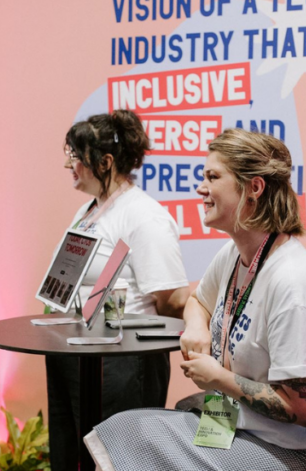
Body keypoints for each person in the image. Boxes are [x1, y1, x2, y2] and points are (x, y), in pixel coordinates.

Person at [85, 129, 306, 471]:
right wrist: (197, 327)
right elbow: (198, 299)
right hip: (240, 425)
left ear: (253, 188)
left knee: (129, 436)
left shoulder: (294, 282)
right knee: (127, 429)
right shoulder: (234, 254)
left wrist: (219, 378)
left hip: (295, 451)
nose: (201, 188)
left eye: (213, 177)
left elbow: (304, 410)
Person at [47, 109, 190, 471]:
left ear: (105, 161)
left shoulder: (144, 215)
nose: (69, 165)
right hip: (79, 352)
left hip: (124, 363)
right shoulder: (89, 210)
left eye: (76, 157)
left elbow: (171, 300)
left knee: (120, 458)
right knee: (75, 452)